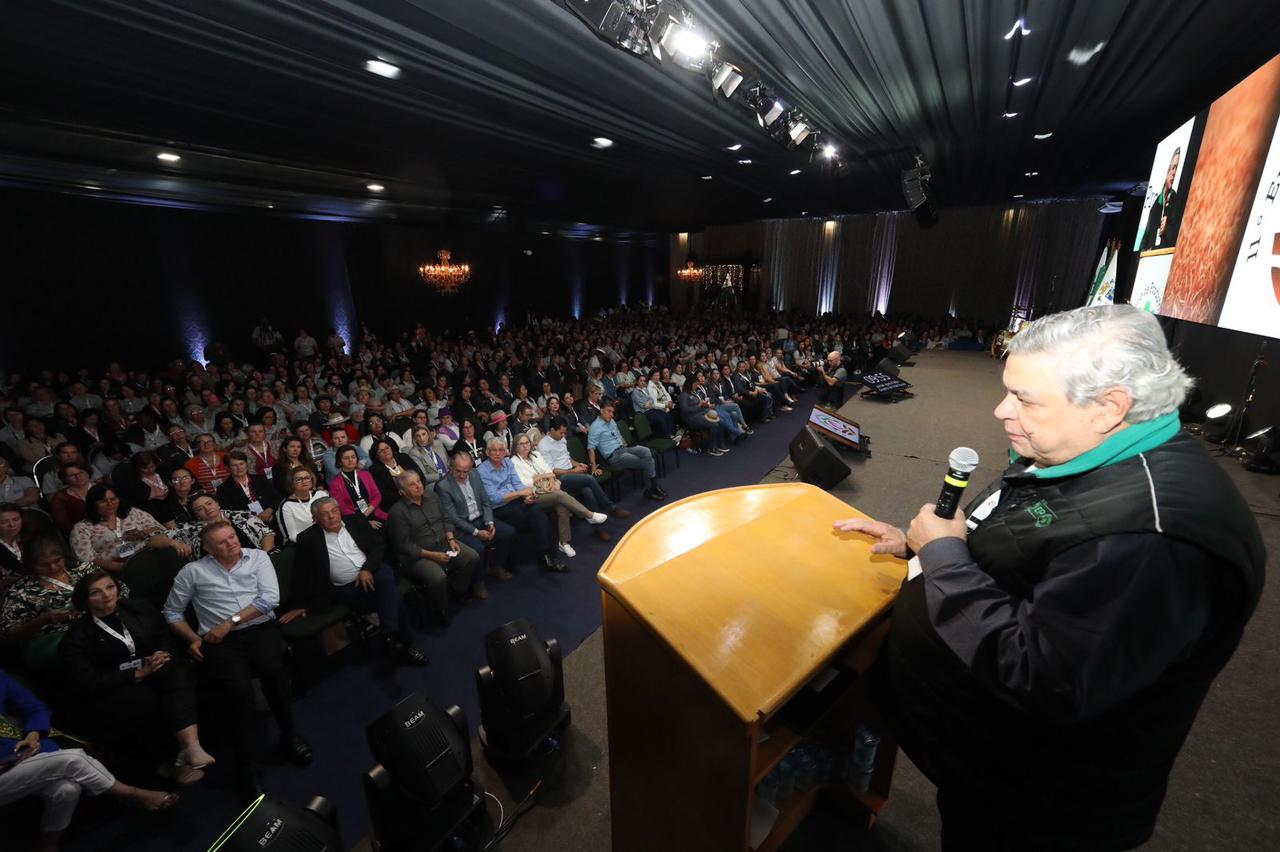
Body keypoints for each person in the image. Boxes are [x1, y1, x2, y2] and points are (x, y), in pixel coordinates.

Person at [834, 305, 1265, 851]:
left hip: (1032, 806)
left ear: (1109, 407)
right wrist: (918, 542)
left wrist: (942, 556)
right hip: (982, 761)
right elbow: (1029, 550)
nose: (1001, 411)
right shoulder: (1085, 450)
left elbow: (1044, 679)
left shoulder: (1150, 542)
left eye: (1025, 399)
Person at [163, 521, 312, 798]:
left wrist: (230, 622)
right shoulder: (192, 571)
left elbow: (269, 599)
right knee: (237, 691)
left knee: (273, 671)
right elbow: (172, 613)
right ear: (208, 548)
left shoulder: (257, 558)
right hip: (219, 641)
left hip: (258, 628)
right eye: (223, 542)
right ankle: (246, 762)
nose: (232, 543)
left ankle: (289, 733)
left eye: (232, 537)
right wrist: (192, 638)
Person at [59, 570, 215, 784]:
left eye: (110, 587)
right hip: (116, 684)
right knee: (141, 699)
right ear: (85, 600)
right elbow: (88, 681)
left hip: (152, 668)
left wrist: (161, 653)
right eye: (96, 592)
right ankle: (169, 764)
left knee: (176, 672)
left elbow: (163, 633)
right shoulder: (77, 636)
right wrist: (136, 673)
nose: (106, 595)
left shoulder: (138, 607)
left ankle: (191, 746)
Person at [0, 667, 177, 852]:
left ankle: (48, 846)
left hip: (15, 755)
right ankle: (134, 795)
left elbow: (34, 707)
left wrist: (33, 734)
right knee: (73, 759)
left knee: (67, 789)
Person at [290, 497, 427, 666]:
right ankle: (401, 642)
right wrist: (299, 604)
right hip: (348, 587)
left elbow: (379, 546)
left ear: (339, 511)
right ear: (315, 519)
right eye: (325, 514)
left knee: (384, 579)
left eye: (334, 511)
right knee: (392, 595)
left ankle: (391, 634)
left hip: (373, 570)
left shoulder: (356, 521)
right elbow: (301, 573)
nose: (332, 516)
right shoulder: (308, 539)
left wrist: (367, 569)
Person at [385, 469, 483, 623]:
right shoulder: (397, 513)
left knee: (472, 557)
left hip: (444, 543)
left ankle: (457, 589)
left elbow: (446, 518)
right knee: (437, 577)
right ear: (402, 492)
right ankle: (439, 610)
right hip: (418, 555)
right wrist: (432, 555)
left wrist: (451, 539)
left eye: (418, 481)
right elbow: (404, 546)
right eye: (412, 485)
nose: (418, 486)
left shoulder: (432, 496)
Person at [1, 536, 112, 668]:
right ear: (31, 564)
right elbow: (10, 635)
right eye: (44, 564)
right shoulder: (20, 591)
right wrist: (42, 621)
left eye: (57, 561)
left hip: (102, 625)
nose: (52, 567)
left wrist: (106, 601)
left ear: (64, 556)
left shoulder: (85, 570)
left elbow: (120, 591)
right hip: (58, 640)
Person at [509, 433, 608, 558]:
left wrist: (551, 481)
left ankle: (564, 543)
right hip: (534, 494)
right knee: (560, 496)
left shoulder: (536, 455)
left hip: (549, 488)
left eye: (527, 442)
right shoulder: (513, 462)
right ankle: (589, 515)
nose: (525, 446)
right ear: (515, 447)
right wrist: (545, 476)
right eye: (521, 444)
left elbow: (549, 471)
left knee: (562, 506)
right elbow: (525, 483)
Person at [477, 438, 567, 571]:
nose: (498, 453)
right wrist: (520, 494)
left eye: (501, 450)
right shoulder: (482, 470)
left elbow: (518, 484)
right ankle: (547, 555)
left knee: (537, 510)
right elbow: (494, 499)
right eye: (493, 450)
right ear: (487, 452)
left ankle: (548, 554)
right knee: (533, 516)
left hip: (516, 501)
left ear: (505, 452)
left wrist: (526, 496)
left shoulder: (508, 463)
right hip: (499, 508)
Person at [435, 452, 517, 582]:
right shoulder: (442, 486)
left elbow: (485, 501)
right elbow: (453, 518)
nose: (462, 475)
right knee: (478, 548)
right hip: (462, 526)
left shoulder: (474, 474)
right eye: (458, 471)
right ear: (451, 468)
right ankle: (478, 582)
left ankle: (495, 565)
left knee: (508, 532)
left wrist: (489, 522)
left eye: (465, 471)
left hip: (481, 518)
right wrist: (476, 532)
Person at [69, 484, 190, 573]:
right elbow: (86, 560)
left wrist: (143, 533)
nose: (110, 504)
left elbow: (159, 529)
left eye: (113, 499)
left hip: (150, 553)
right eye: (103, 501)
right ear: (93, 504)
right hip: (116, 566)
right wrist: (124, 568)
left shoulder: (132, 512)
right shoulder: (82, 527)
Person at [536, 419, 629, 525]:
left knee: (587, 490)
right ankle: (610, 507)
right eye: (561, 433)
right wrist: (573, 471)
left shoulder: (562, 439)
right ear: (552, 430)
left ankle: (597, 526)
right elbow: (551, 470)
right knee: (589, 479)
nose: (563, 435)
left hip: (570, 473)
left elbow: (568, 459)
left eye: (564, 433)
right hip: (558, 479)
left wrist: (578, 464)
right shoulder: (543, 446)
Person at [587, 401, 664, 502]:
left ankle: (652, 488)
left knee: (646, 451)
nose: (611, 414)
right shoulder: (595, 427)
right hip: (614, 456)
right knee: (647, 461)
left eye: (612, 412)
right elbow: (591, 448)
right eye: (609, 411)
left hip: (623, 448)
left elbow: (619, 435)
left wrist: (628, 446)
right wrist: (593, 467)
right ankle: (652, 488)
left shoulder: (611, 421)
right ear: (601, 411)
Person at [179, 494, 276, 554]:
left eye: (209, 504)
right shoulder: (191, 530)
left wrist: (264, 557)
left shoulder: (241, 515)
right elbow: (168, 536)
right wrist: (174, 544)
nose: (207, 509)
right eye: (199, 509)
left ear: (217, 503)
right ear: (196, 515)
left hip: (258, 558)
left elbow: (267, 534)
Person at [215, 450, 281, 527]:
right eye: (234, 465)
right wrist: (254, 518)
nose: (239, 468)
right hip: (248, 527)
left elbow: (276, 498)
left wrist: (270, 510)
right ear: (228, 468)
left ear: (246, 464)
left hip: (271, 519)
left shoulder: (260, 479)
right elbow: (231, 514)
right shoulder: (223, 490)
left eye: (241, 463)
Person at [328, 445, 386, 525]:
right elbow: (342, 508)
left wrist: (366, 513)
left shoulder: (366, 474)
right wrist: (363, 520)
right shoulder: (334, 483)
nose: (350, 460)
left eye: (353, 457)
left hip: (373, 511)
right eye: (346, 458)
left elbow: (377, 495)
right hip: (354, 520)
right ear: (340, 462)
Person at [678, 374, 730, 455]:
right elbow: (685, 410)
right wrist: (699, 405)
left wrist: (704, 405)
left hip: (701, 413)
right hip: (691, 418)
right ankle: (712, 448)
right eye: (695, 384)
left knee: (720, 421)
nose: (697, 386)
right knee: (714, 424)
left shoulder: (694, 392)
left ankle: (720, 443)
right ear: (690, 384)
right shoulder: (684, 395)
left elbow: (699, 405)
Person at [276, 467, 328, 545]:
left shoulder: (321, 495)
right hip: (304, 544)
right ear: (291, 484)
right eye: (299, 479)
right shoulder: (286, 506)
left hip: (328, 536)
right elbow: (292, 536)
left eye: (307, 478)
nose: (304, 481)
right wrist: (317, 539)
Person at [48, 463, 94, 533]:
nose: (78, 477)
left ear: (88, 473)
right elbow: (62, 524)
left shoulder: (102, 489)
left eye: (81, 473)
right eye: (72, 475)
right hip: (79, 532)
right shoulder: (60, 497)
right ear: (65, 479)